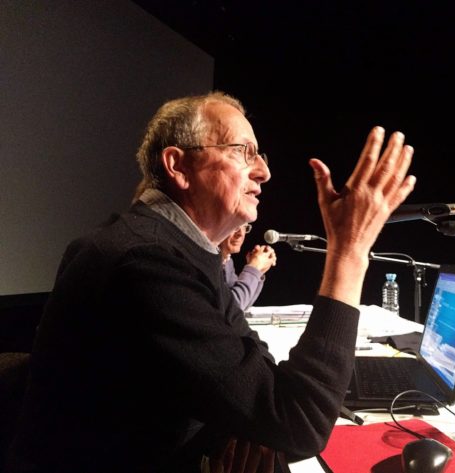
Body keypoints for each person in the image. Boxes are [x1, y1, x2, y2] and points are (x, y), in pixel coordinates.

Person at [6, 91, 416, 473]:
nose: (265, 172)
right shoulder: (145, 262)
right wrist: (349, 251)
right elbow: (299, 421)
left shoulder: (186, 248)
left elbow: (249, 357)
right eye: (243, 152)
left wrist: (239, 424)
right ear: (178, 165)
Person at [219, 223, 276, 310]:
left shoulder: (228, 261)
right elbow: (232, 308)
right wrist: (253, 268)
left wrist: (259, 271)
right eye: (235, 226)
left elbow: (243, 304)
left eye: (245, 227)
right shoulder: (208, 259)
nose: (241, 234)